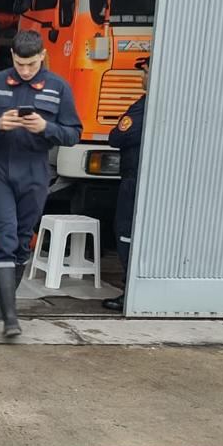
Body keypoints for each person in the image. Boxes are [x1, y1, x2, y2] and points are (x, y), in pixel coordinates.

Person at [0, 28, 82, 337]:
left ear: (42, 56)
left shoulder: (58, 87)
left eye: (31, 65)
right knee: (3, 237)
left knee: (20, 240)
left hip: (35, 170)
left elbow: (73, 134)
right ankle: (11, 318)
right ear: (12, 57)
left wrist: (47, 127)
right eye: (20, 64)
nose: (25, 71)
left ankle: (3, 303)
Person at [103, 60, 147, 312]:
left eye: (145, 72)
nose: (142, 76)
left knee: (126, 231)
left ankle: (130, 291)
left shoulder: (142, 107)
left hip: (135, 178)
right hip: (147, 177)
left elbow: (117, 136)